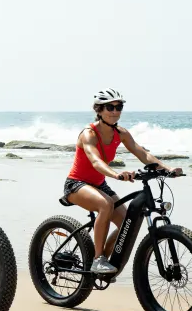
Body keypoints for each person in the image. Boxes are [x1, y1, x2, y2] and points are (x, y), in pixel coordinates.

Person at [64, 88, 181, 275]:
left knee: (126, 223)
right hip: (76, 184)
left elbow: (142, 153)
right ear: (99, 110)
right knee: (106, 204)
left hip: (99, 185)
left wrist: (167, 169)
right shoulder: (89, 134)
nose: (115, 111)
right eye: (109, 107)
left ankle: (103, 262)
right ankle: (98, 260)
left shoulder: (121, 133)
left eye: (118, 107)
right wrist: (116, 174)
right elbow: (96, 161)